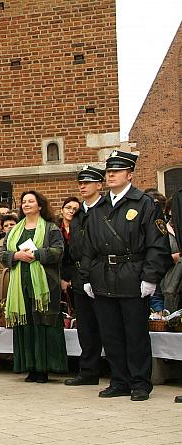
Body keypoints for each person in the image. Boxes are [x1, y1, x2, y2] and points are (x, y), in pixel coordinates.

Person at [80, 151, 171, 401]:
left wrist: (150, 277)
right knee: (110, 333)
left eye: (116, 171)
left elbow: (157, 245)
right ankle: (119, 380)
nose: (110, 175)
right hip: (103, 275)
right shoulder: (99, 207)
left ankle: (140, 382)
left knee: (136, 334)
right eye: (108, 171)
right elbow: (88, 245)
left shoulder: (144, 204)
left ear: (129, 174)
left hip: (132, 274)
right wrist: (86, 277)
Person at [0, 190, 67, 383]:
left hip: (45, 285)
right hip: (20, 284)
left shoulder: (51, 228)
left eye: (31, 201)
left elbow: (59, 251)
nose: (26, 204)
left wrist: (37, 255)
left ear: (39, 206)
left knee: (43, 323)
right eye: (24, 202)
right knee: (26, 324)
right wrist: (16, 256)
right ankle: (30, 367)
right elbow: (3, 254)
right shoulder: (14, 230)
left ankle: (45, 368)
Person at [65, 167, 106, 386]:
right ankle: (89, 371)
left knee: (108, 325)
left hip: (101, 274)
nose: (83, 186)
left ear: (100, 185)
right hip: (80, 275)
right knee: (86, 327)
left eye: (88, 182)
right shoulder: (78, 214)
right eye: (80, 182)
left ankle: (117, 372)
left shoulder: (107, 209)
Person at [0, 214, 18, 310]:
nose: (9, 227)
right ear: (2, 229)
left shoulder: (25, 242)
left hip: (18, 279)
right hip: (2, 282)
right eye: (6, 225)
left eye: (12, 224)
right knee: (1, 310)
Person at [59, 196, 80, 313]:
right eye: (68, 207)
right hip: (58, 275)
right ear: (62, 210)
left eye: (75, 209)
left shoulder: (83, 229)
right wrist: (60, 279)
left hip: (77, 277)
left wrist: (75, 280)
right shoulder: (53, 228)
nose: (71, 211)